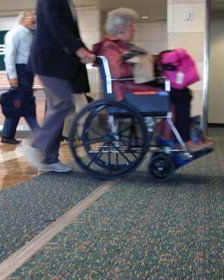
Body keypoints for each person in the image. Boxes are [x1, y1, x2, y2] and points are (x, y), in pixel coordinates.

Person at [93, 7, 213, 153]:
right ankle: (179, 140)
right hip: (125, 91)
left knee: (181, 91)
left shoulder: (120, 46)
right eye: (131, 26)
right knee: (179, 93)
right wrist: (136, 60)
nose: (134, 30)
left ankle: (172, 136)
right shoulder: (110, 47)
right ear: (121, 28)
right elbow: (119, 74)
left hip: (130, 87)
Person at [21, 0, 95, 172]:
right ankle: (36, 144)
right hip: (48, 61)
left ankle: (49, 158)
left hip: (59, 64)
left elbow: (72, 33)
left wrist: (85, 51)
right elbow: (56, 25)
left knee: (56, 107)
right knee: (63, 103)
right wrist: (79, 50)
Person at [1, 10, 39, 145]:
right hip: (19, 70)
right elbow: (9, 55)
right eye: (31, 17)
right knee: (26, 101)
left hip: (28, 71)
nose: (34, 19)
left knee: (18, 102)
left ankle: (7, 135)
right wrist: (12, 75)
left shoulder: (31, 34)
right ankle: (38, 133)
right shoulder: (15, 33)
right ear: (23, 19)